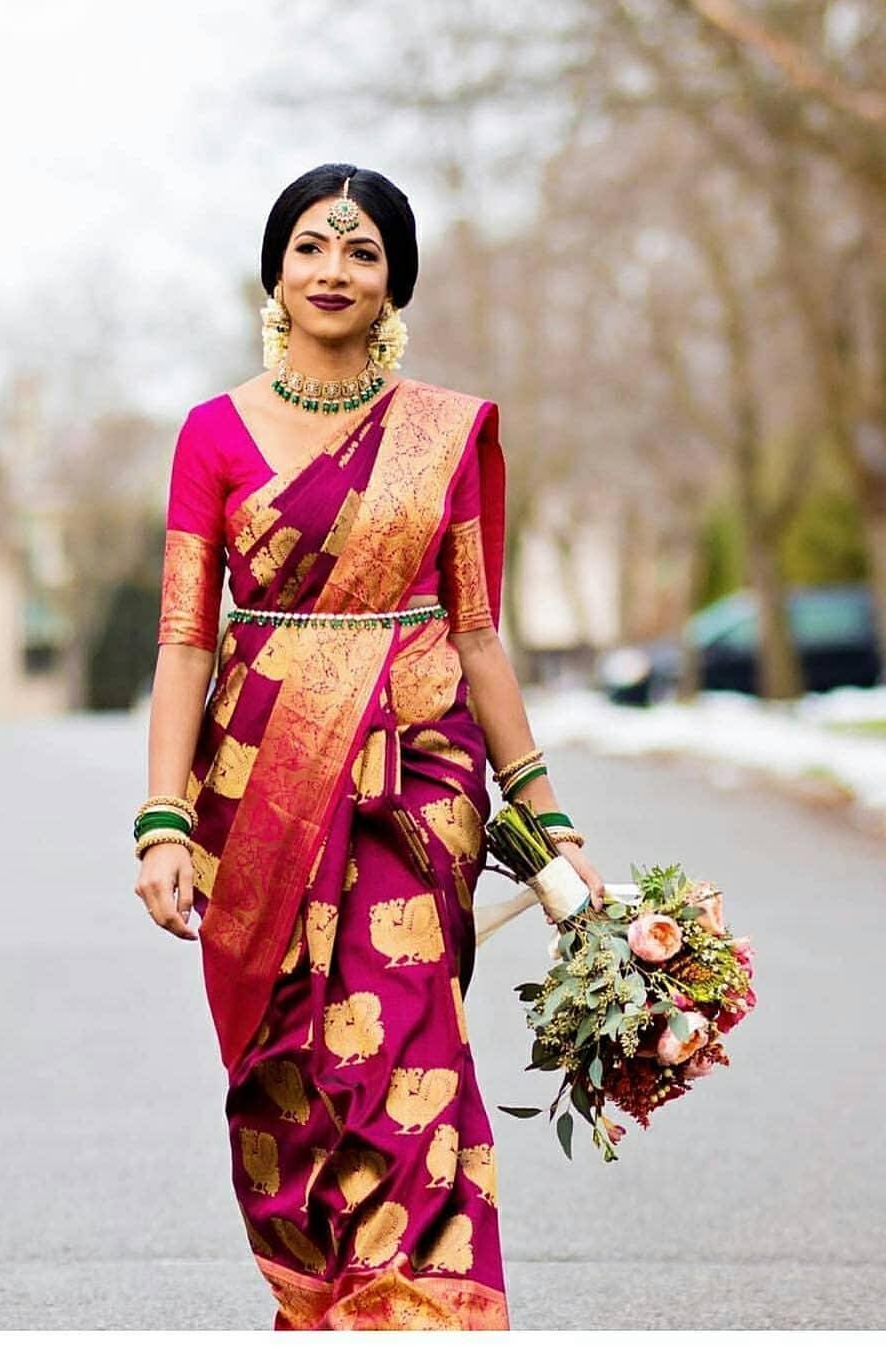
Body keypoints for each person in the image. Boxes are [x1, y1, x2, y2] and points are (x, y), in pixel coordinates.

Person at [135, 162, 606, 1332]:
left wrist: (547, 817)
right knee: (282, 1067)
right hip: (256, 782)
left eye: (360, 251)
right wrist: (160, 820)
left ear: (394, 280)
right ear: (275, 269)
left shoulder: (440, 435)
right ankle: (322, 1292)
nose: (332, 270)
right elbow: (187, 643)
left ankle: (420, 1311)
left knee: (406, 1050)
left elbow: (481, 637)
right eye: (310, 247)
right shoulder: (213, 434)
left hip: (418, 774)